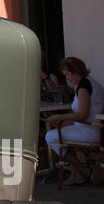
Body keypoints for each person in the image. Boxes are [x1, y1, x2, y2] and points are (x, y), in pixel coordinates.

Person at [44, 56, 104, 185]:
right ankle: (81, 170)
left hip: (90, 132)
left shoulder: (84, 87)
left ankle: (79, 171)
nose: (68, 79)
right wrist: (64, 121)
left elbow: (82, 114)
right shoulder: (88, 83)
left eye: (68, 75)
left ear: (76, 71)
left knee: (50, 137)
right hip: (90, 127)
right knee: (58, 131)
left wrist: (59, 117)